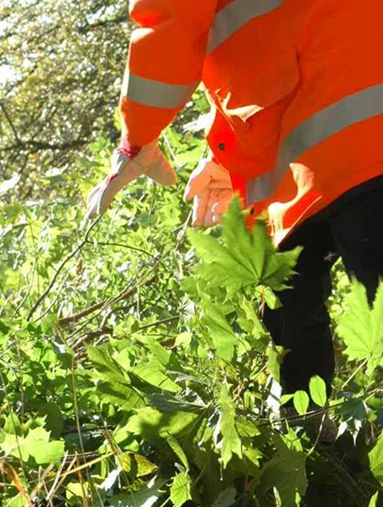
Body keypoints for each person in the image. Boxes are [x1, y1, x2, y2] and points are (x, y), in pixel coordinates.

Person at [87, 0, 383, 440]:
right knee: (291, 303)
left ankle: (306, 435)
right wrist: (227, 157)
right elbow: (277, 41)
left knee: (293, 309)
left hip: (346, 138)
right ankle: (310, 436)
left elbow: (168, 21)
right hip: (332, 135)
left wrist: (136, 140)